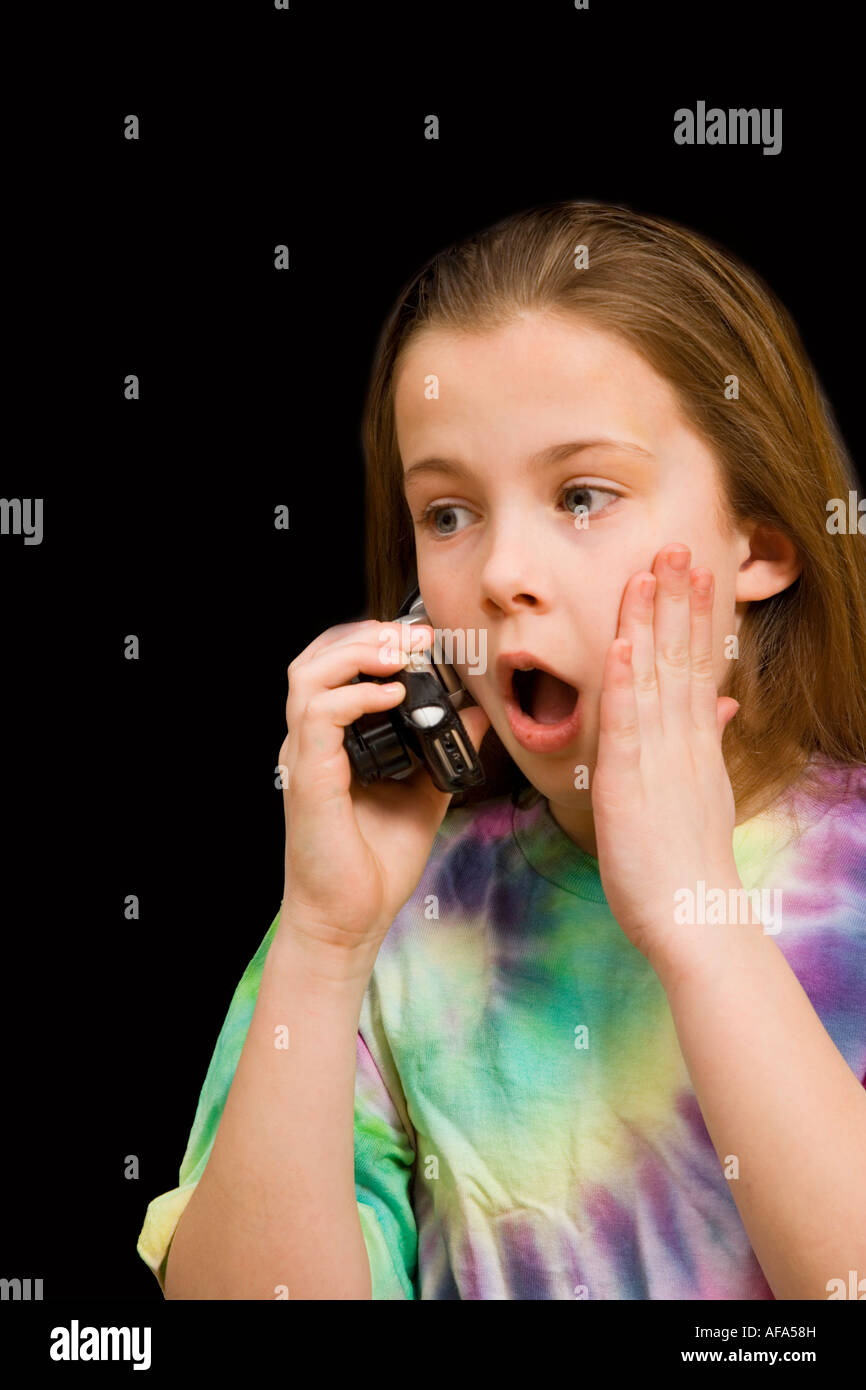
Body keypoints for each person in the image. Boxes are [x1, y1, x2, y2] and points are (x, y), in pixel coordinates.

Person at [137, 201, 866, 1300]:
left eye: (581, 495)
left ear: (756, 543)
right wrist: (327, 945)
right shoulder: (389, 921)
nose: (499, 570)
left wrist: (698, 921)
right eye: (446, 512)